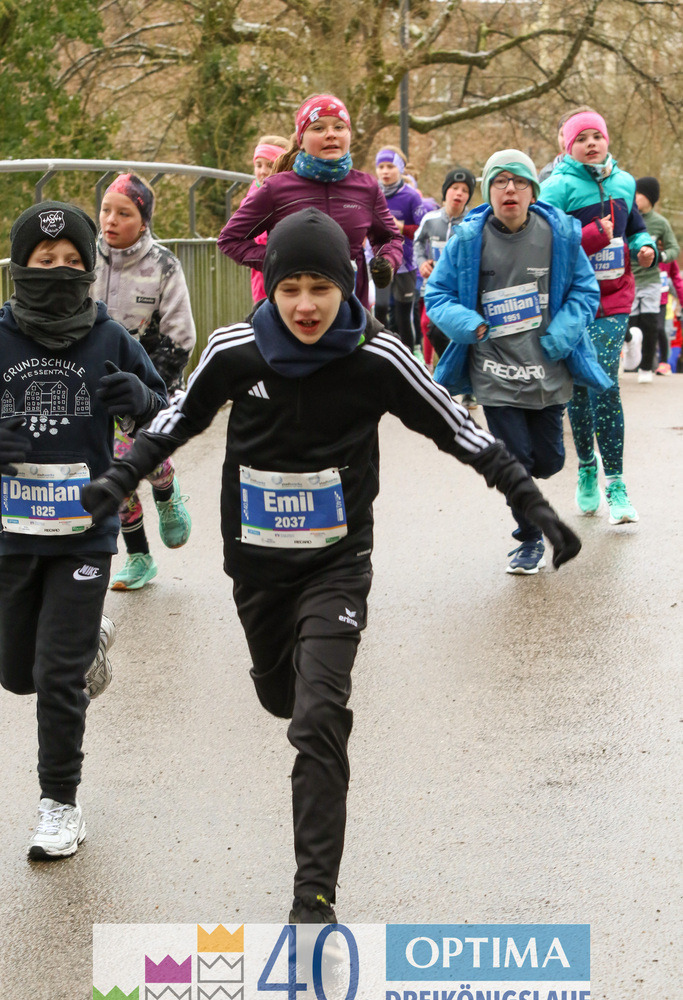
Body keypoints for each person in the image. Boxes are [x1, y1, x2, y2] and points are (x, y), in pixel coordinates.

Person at [82, 208, 581, 921]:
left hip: (337, 564)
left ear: (344, 289)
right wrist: (119, 477)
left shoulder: (374, 358)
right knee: (279, 699)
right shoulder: (235, 350)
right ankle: (280, 683)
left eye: (320, 288)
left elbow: (454, 426)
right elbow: (176, 418)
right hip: (256, 566)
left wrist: (527, 500)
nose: (306, 305)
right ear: (270, 290)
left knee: (318, 718)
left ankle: (312, 896)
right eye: (290, 289)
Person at [0, 201, 167, 858]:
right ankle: (89, 646)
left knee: (56, 674)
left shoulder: (109, 336)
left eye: (73, 262)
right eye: (46, 264)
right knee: (17, 673)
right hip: (10, 534)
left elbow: (163, 411)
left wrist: (142, 400)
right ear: (20, 268)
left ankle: (59, 805)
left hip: (85, 535)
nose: (61, 272)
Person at [425, 150, 607, 574]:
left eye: (520, 181)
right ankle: (528, 540)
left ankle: (530, 501)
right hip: (494, 369)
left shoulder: (559, 233)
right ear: (488, 190)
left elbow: (585, 291)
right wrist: (472, 325)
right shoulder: (469, 239)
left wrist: (561, 334)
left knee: (549, 461)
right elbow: (437, 295)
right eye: (501, 181)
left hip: (548, 364)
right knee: (516, 461)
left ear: (533, 190)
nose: (510, 189)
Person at [540, 110, 656, 524]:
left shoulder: (624, 183)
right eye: (581, 138)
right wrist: (592, 236)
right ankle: (587, 466)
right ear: (566, 147)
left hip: (616, 298)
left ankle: (618, 485)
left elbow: (636, 226)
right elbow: (546, 244)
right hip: (574, 301)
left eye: (597, 136)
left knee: (603, 381)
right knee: (579, 387)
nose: (591, 143)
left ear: (607, 140)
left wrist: (645, 248)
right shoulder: (556, 188)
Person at [92, 173, 195, 590]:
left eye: (124, 212)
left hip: (150, 381)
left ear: (144, 220)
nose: (110, 220)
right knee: (112, 464)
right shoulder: (84, 257)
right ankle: (138, 557)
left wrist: (148, 386)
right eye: (105, 209)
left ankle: (167, 491)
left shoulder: (163, 265)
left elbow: (181, 335)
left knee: (138, 454)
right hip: (96, 384)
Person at [216, 94, 404, 308]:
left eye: (339, 127)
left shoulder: (366, 187)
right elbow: (230, 240)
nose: (331, 134)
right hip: (292, 312)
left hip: (350, 312)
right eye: (318, 128)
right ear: (300, 139)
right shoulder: (276, 188)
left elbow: (389, 238)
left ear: (349, 134)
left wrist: (387, 262)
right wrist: (278, 259)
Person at [414, 166, 476, 389]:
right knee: (428, 325)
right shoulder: (430, 220)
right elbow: (418, 243)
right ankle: (435, 370)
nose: (459, 193)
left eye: (464, 190)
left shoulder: (473, 223)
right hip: (434, 287)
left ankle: (465, 381)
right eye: (454, 188)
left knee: (458, 332)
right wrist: (421, 262)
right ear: (445, 192)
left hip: (461, 292)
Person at [373, 145, 430, 352]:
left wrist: (402, 227)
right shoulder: (372, 192)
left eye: (390, 166)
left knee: (403, 315)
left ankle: (409, 358)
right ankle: (378, 355)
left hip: (405, 262)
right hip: (378, 260)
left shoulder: (411, 196)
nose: (385, 171)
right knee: (379, 310)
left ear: (400, 169)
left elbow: (424, 232)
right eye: (381, 167)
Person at [629, 176, 680, 380]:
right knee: (630, 325)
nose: (634, 198)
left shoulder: (660, 223)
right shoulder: (628, 218)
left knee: (651, 325)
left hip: (651, 281)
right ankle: (628, 362)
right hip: (629, 281)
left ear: (649, 197)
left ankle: (646, 368)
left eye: (638, 194)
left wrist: (661, 256)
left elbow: (673, 248)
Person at [244, 135, 290, 304]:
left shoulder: (291, 197)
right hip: (261, 273)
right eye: (258, 165)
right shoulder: (251, 197)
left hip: (287, 271)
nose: (262, 171)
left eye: (269, 165)